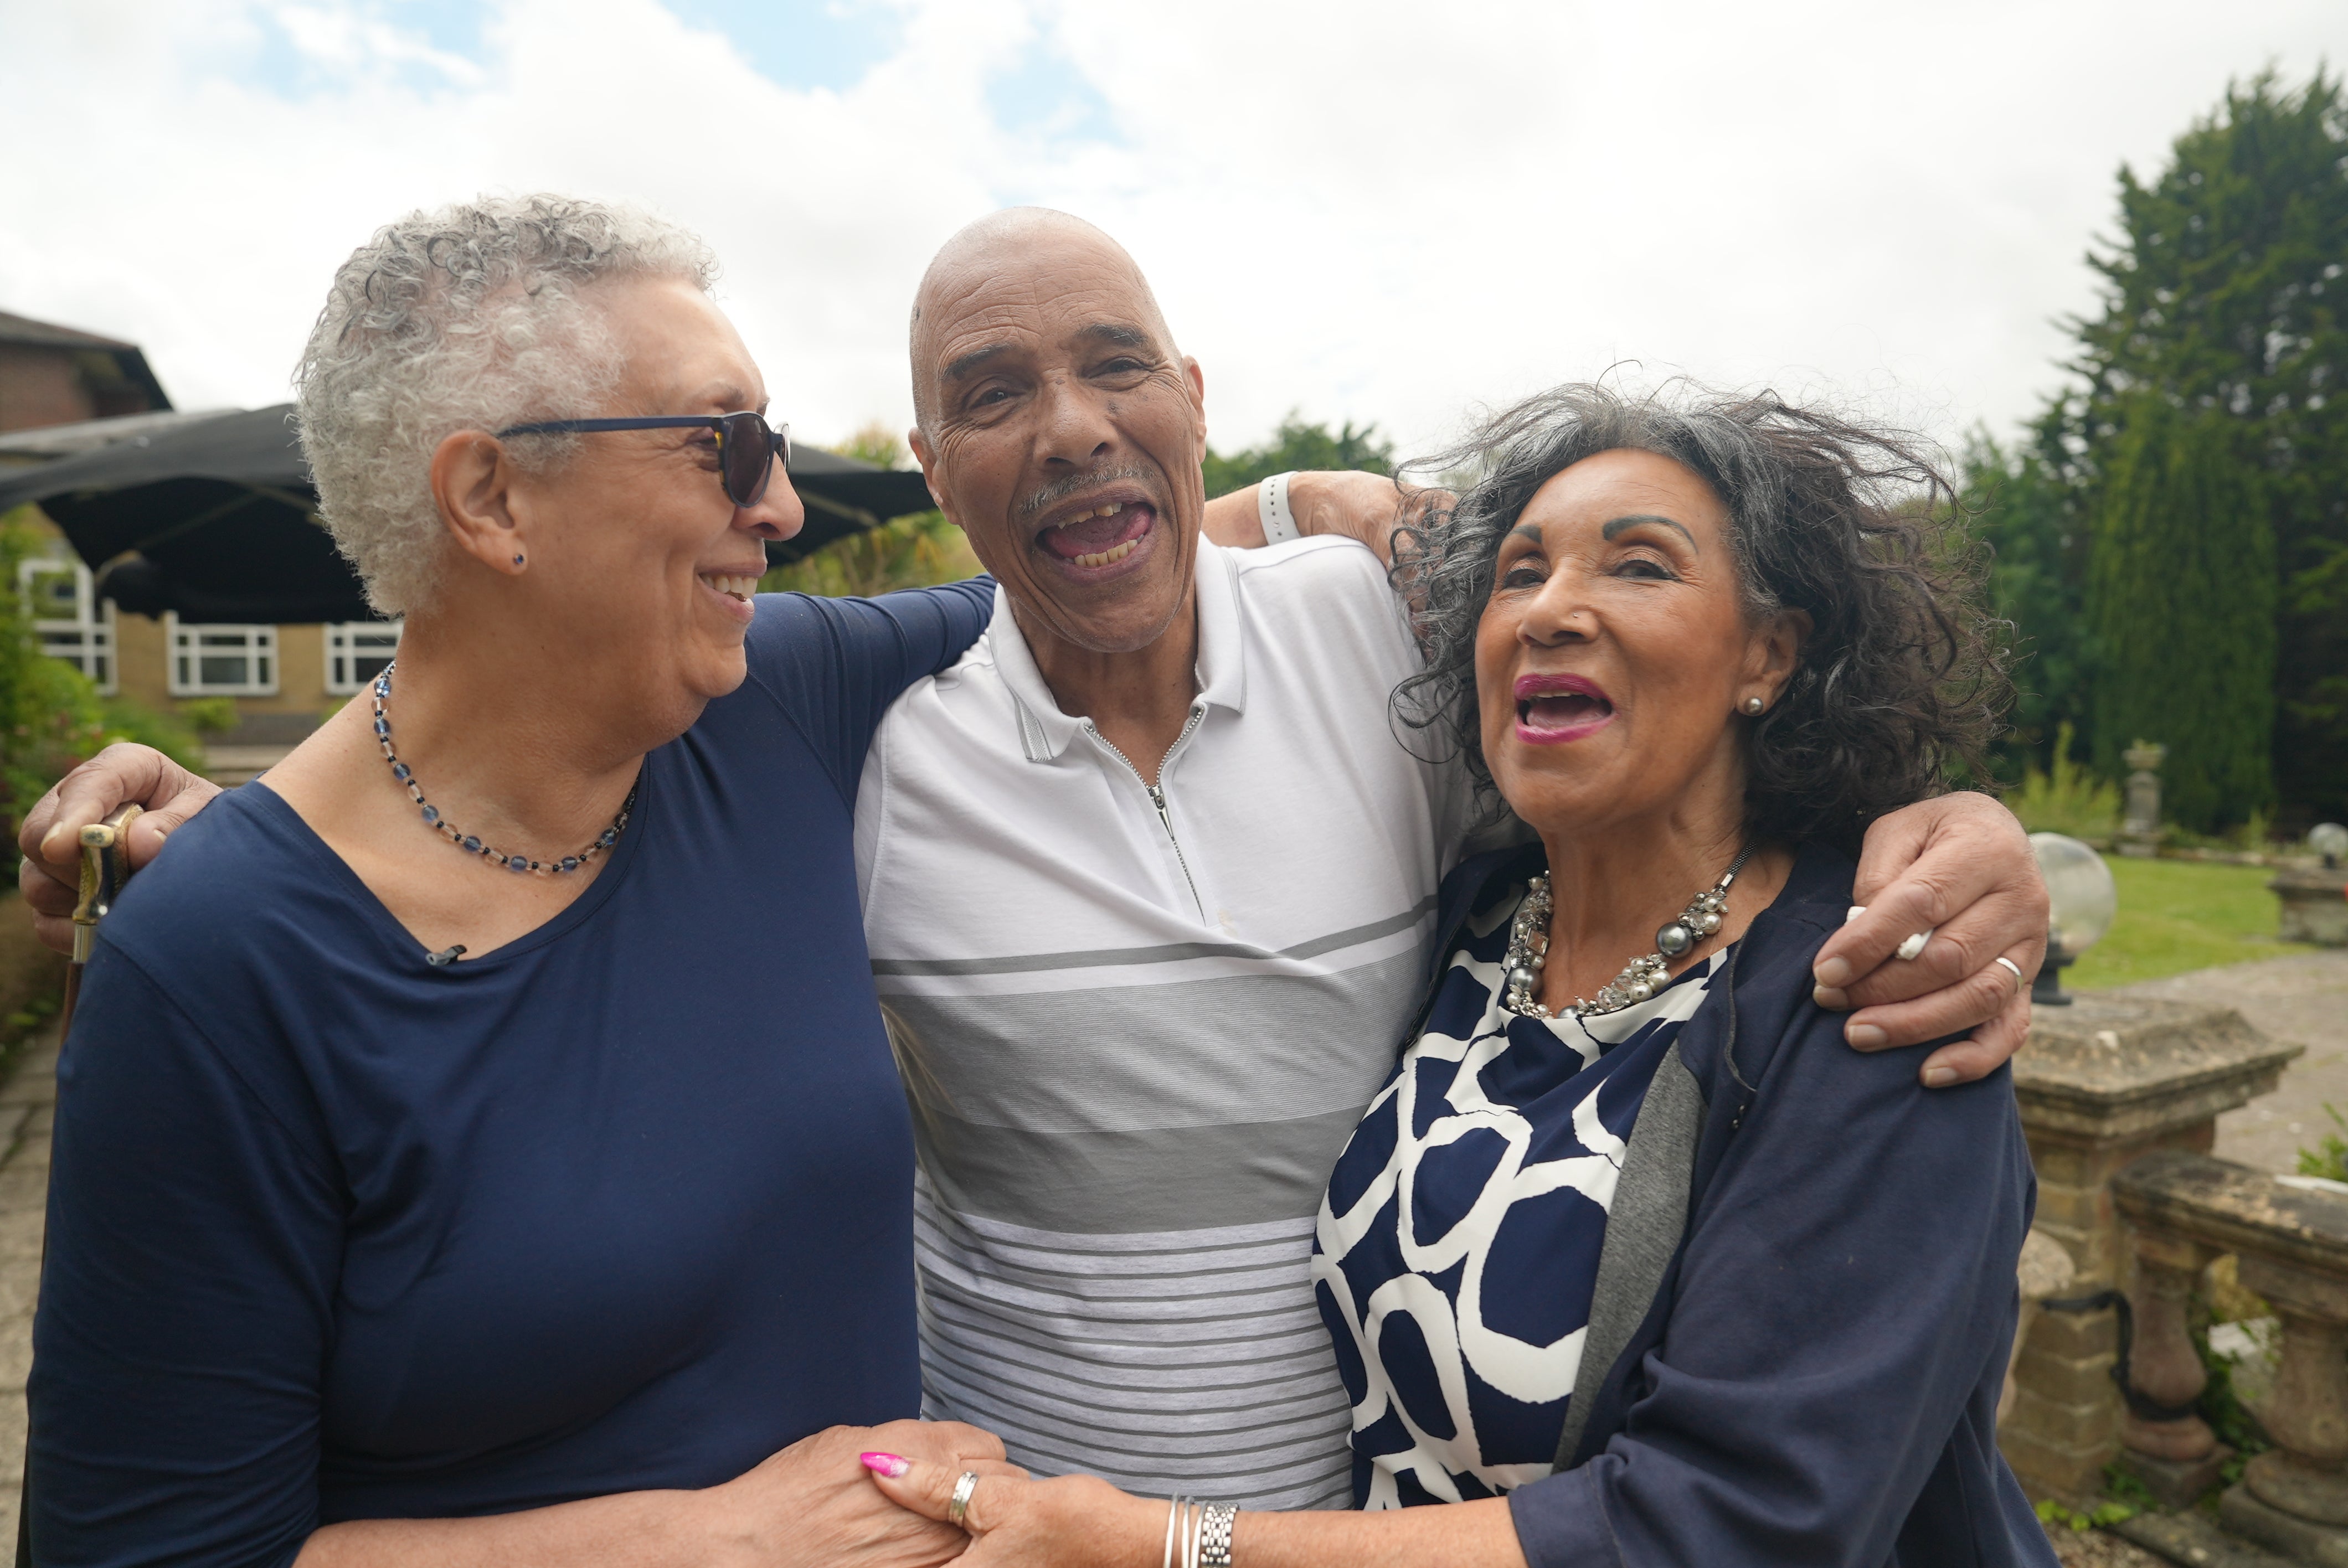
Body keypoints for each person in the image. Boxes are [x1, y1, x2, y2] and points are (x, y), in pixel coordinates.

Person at [25, 209, 2050, 1519]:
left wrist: (1948, 839)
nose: (776, 514)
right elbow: (475, 740)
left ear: (1193, 397)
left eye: (1119, 373)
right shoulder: (816, 718)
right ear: (936, 466)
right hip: (1025, 1525)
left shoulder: (1365, 646)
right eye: (732, 453)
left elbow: (1681, 698)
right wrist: (245, 863)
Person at [857, 383, 2056, 1567]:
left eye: (1637, 566)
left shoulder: (1873, 1008)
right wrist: (1309, 500)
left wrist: (1164, 1545)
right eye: (1518, 574)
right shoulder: (1476, 930)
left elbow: (1736, 1525)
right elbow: (1098, 574)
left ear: (1771, 651)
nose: (1550, 610)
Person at [23, 195, 1019, 1566]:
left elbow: (1077, 571)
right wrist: (716, 1546)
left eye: (771, 445)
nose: (777, 503)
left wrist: (1311, 504)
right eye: (723, 442)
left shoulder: (769, 702)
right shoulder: (218, 965)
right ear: (491, 498)